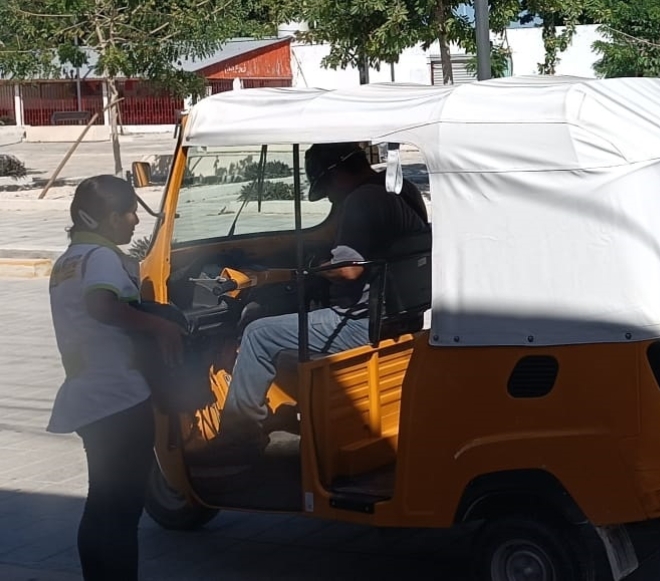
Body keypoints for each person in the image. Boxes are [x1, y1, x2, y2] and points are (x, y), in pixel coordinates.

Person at [204, 142, 429, 462]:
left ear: (336, 175)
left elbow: (349, 270)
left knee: (257, 334)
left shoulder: (362, 200)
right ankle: (296, 408)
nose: (332, 200)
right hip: (401, 316)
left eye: (328, 192)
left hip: (358, 323)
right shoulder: (401, 189)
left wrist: (310, 269)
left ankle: (237, 440)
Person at [47, 175, 184, 580]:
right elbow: (102, 306)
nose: (134, 222)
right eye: (128, 213)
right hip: (119, 399)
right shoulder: (103, 260)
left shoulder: (70, 261)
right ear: (108, 218)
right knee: (123, 510)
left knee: (102, 503)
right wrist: (161, 327)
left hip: (88, 396)